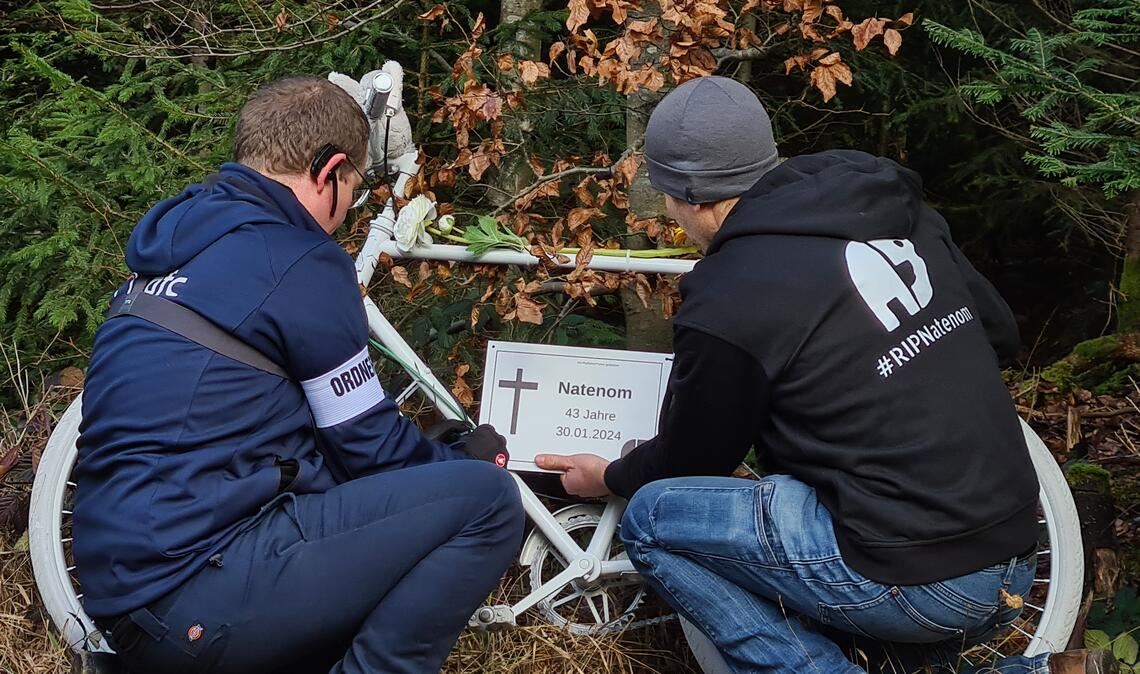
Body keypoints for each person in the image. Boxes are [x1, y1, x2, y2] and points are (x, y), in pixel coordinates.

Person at [535, 76, 1115, 674]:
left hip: (916, 576)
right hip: (1019, 548)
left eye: (666, 197)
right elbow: (999, 333)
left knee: (652, 518)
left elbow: (692, 461)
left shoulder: (729, 291)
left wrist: (611, 475)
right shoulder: (889, 204)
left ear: (691, 194)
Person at [74, 76, 524, 674]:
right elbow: (370, 449)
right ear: (328, 170)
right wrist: (465, 462)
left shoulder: (176, 246)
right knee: (490, 502)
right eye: (356, 188)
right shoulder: (300, 260)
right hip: (196, 593)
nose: (350, 209)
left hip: (122, 593)